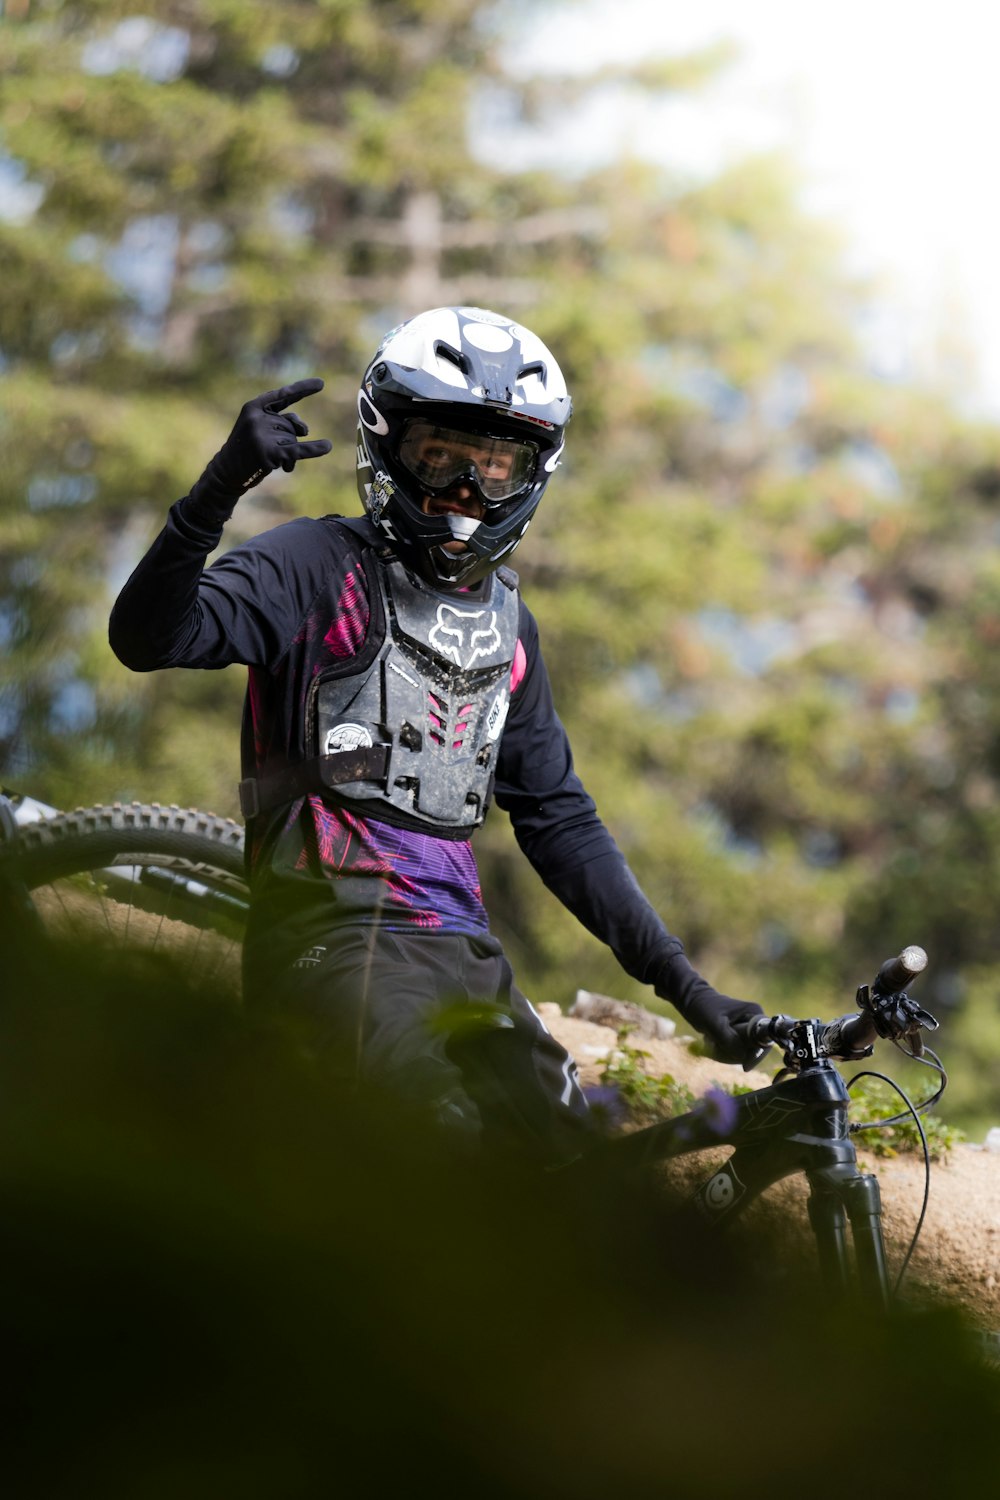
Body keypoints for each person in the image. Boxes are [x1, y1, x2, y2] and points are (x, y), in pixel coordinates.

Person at [109, 305, 763, 1160]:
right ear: (388, 444)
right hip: (334, 945)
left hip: (468, 959)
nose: (465, 490)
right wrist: (217, 491)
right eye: (440, 455)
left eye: (495, 464)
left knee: (579, 1194)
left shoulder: (510, 627)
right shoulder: (315, 565)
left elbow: (560, 821)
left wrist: (688, 987)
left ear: (532, 474)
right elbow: (146, 638)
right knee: (442, 1166)